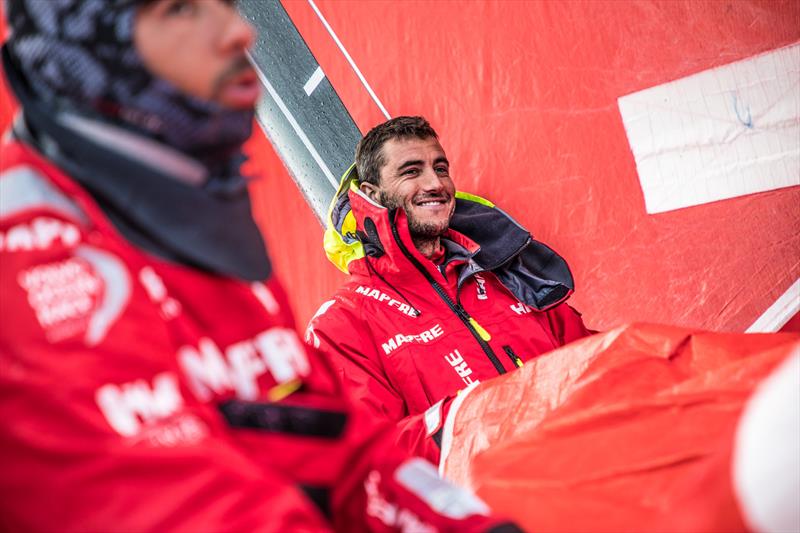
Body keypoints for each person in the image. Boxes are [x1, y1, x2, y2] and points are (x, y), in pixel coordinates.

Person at [0, 1, 521, 531]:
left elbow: (336, 447)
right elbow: (167, 502)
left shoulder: (193, 215)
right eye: (180, 10)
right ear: (80, 45)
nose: (237, 32)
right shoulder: (28, 253)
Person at [307, 116, 592, 450]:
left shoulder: (506, 272)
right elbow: (367, 454)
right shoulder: (341, 325)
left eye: (440, 168)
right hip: (487, 500)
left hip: (587, 480)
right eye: (411, 172)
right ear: (372, 194)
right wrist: (469, 418)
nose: (435, 184)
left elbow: (589, 361)